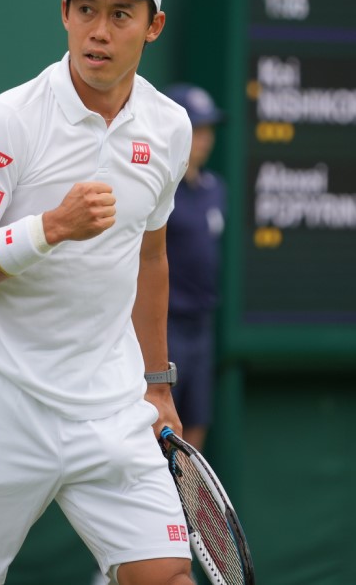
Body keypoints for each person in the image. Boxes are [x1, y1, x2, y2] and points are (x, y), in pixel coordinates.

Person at [0, 0, 195, 585]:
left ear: (153, 26)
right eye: (86, 9)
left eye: (121, 14)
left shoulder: (170, 129)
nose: (99, 32)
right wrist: (51, 229)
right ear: (65, 14)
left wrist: (156, 384)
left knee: (167, 579)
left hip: (110, 406)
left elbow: (150, 257)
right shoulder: (5, 123)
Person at [162, 84, 226, 453]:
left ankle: (184, 511)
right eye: (195, 129)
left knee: (195, 425)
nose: (204, 139)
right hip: (165, 326)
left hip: (202, 327)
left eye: (208, 130)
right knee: (162, 431)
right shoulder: (159, 190)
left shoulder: (217, 189)